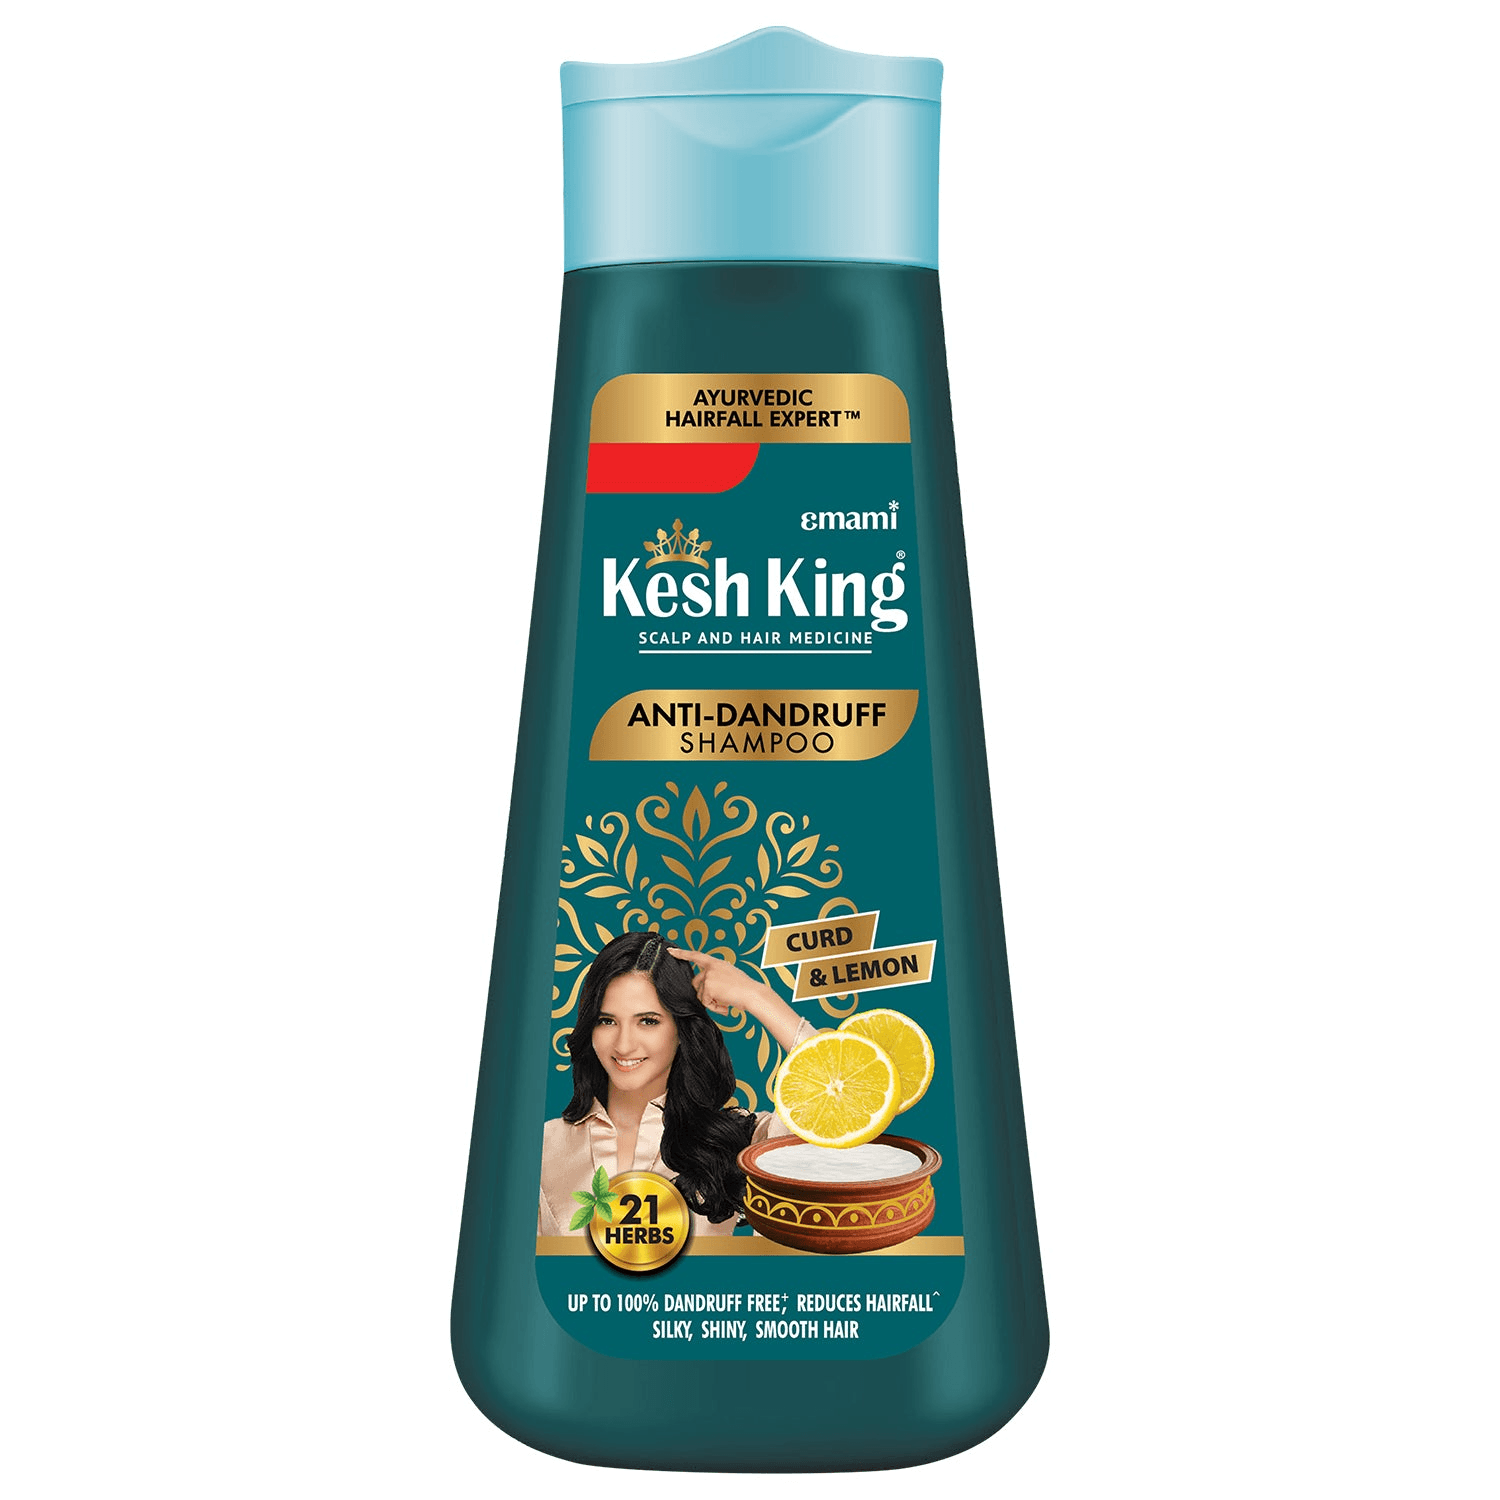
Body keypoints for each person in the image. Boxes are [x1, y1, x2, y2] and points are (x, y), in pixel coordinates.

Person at [537, 930, 817, 1238]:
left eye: (648, 1021)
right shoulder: (542, 1146)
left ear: (681, 1030)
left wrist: (755, 995)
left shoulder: (734, 1143)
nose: (624, 1045)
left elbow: (842, 1095)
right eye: (607, 1021)